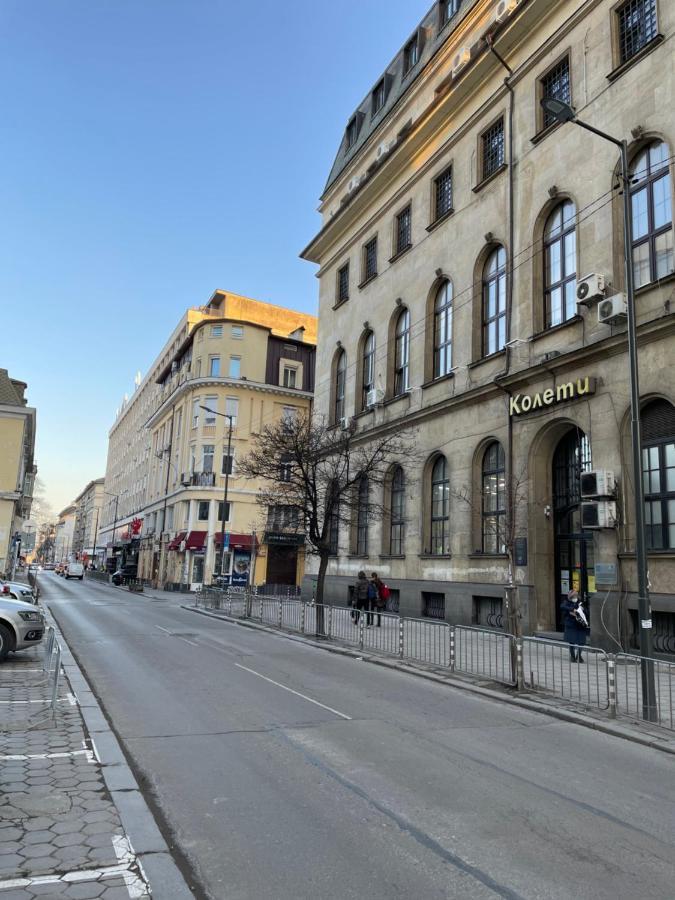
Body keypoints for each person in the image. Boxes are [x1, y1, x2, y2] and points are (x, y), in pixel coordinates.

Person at [560, 589, 588, 662]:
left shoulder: (580, 603)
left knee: (581, 641)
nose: (575, 598)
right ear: (570, 597)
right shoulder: (566, 602)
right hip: (571, 625)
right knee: (571, 641)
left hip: (580, 625)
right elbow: (562, 607)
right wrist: (573, 610)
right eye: (573, 596)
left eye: (576, 596)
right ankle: (572, 657)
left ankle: (579, 656)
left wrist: (582, 610)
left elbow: (586, 612)